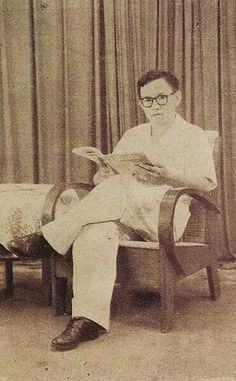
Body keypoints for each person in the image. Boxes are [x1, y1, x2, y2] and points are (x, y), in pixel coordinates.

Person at [7, 70, 217, 351]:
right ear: (140, 103)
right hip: (124, 212)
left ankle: (47, 239)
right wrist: (102, 174)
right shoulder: (134, 135)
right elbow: (103, 181)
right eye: (147, 101)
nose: (155, 106)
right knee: (95, 230)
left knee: (117, 189)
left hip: (163, 217)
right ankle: (87, 320)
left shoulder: (193, 135)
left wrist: (168, 176)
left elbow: (208, 182)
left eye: (161, 98)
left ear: (177, 98)